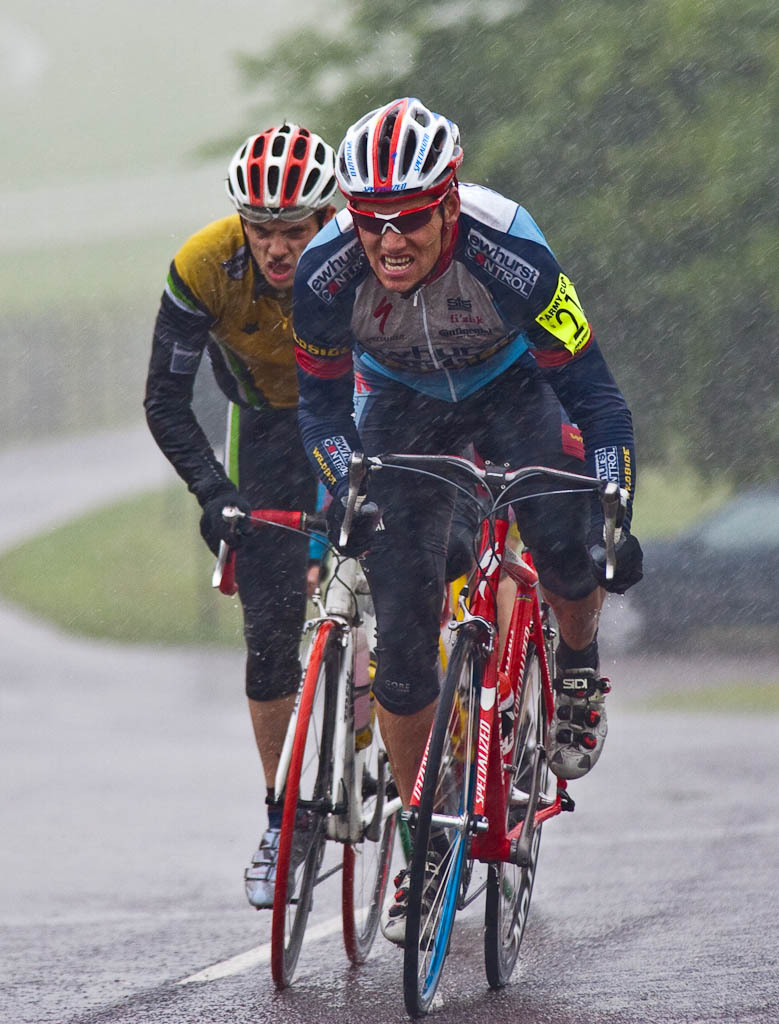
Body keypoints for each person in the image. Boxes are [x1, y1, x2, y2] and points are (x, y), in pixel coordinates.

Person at [291, 97, 643, 943]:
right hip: (402, 405)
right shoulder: (324, 275)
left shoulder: (510, 251)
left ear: (449, 201)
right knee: (406, 647)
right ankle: (426, 832)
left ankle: (579, 665)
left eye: (410, 218)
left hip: (514, 390)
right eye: (370, 221)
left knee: (565, 544)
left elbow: (592, 389)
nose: (389, 240)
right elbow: (320, 408)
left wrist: (615, 505)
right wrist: (345, 486)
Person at [144, 123, 337, 909]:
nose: (277, 248)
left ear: (328, 219)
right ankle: (281, 817)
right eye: (261, 230)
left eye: (294, 231)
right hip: (265, 428)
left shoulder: (365, 258)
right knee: (268, 635)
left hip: (364, 412)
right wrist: (212, 492)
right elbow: (162, 398)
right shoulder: (204, 265)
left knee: (406, 569)